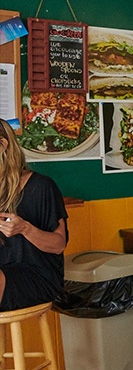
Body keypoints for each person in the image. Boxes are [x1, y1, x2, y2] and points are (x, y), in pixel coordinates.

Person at [0, 120, 68, 312]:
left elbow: (58, 245)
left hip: (37, 276)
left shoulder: (41, 187)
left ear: (3, 145)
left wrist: (24, 228)